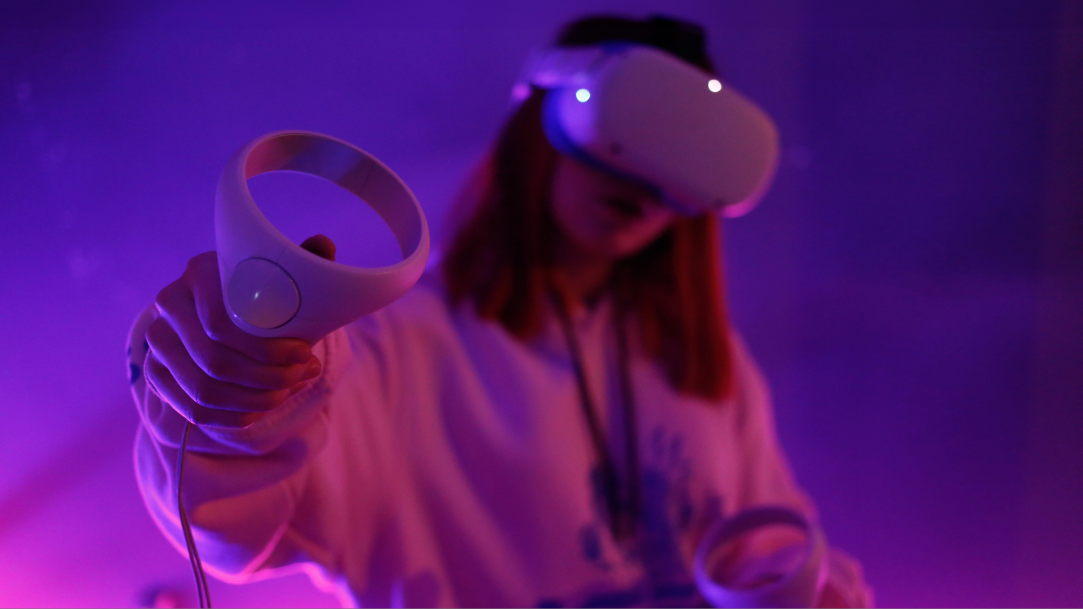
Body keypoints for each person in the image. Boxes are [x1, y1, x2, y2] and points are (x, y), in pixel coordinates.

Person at [128, 14, 873, 608]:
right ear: (541, 125)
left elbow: (769, 543)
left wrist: (814, 588)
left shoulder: (706, 366)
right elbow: (231, 524)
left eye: (687, 151)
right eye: (633, 122)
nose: (647, 177)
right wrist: (247, 387)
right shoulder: (401, 353)